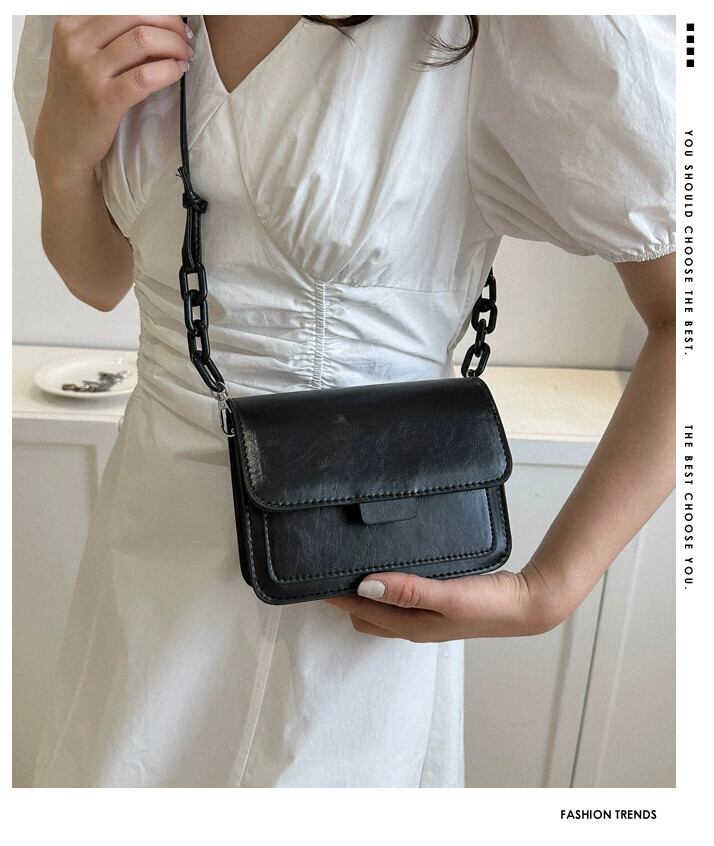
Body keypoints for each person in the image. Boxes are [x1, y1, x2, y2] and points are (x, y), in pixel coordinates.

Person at [14, 14, 676, 787]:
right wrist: (63, 159)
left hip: (352, 570)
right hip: (142, 558)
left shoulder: (499, 29)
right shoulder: (97, 16)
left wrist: (550, 591)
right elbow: (102, 280)